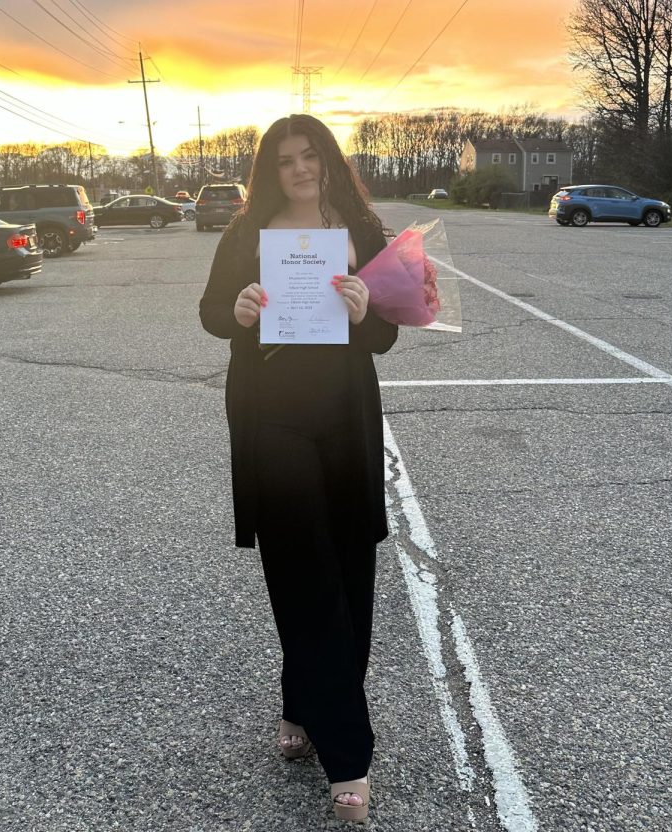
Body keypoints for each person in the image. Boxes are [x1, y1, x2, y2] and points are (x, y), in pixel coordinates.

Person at [199, 114, 398, 823]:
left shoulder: (359, 229)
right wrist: (242, 309)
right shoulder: (246, 234)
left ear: (327, 161)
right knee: (301, 571)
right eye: (285, 160)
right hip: (271, 418)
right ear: (269, 170)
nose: (300, 169)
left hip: (343, 416)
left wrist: (368, 305)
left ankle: (300, 703)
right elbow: (210, 313)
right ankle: (349, 757)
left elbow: (385, 336)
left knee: (348, 572)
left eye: (310, 156)